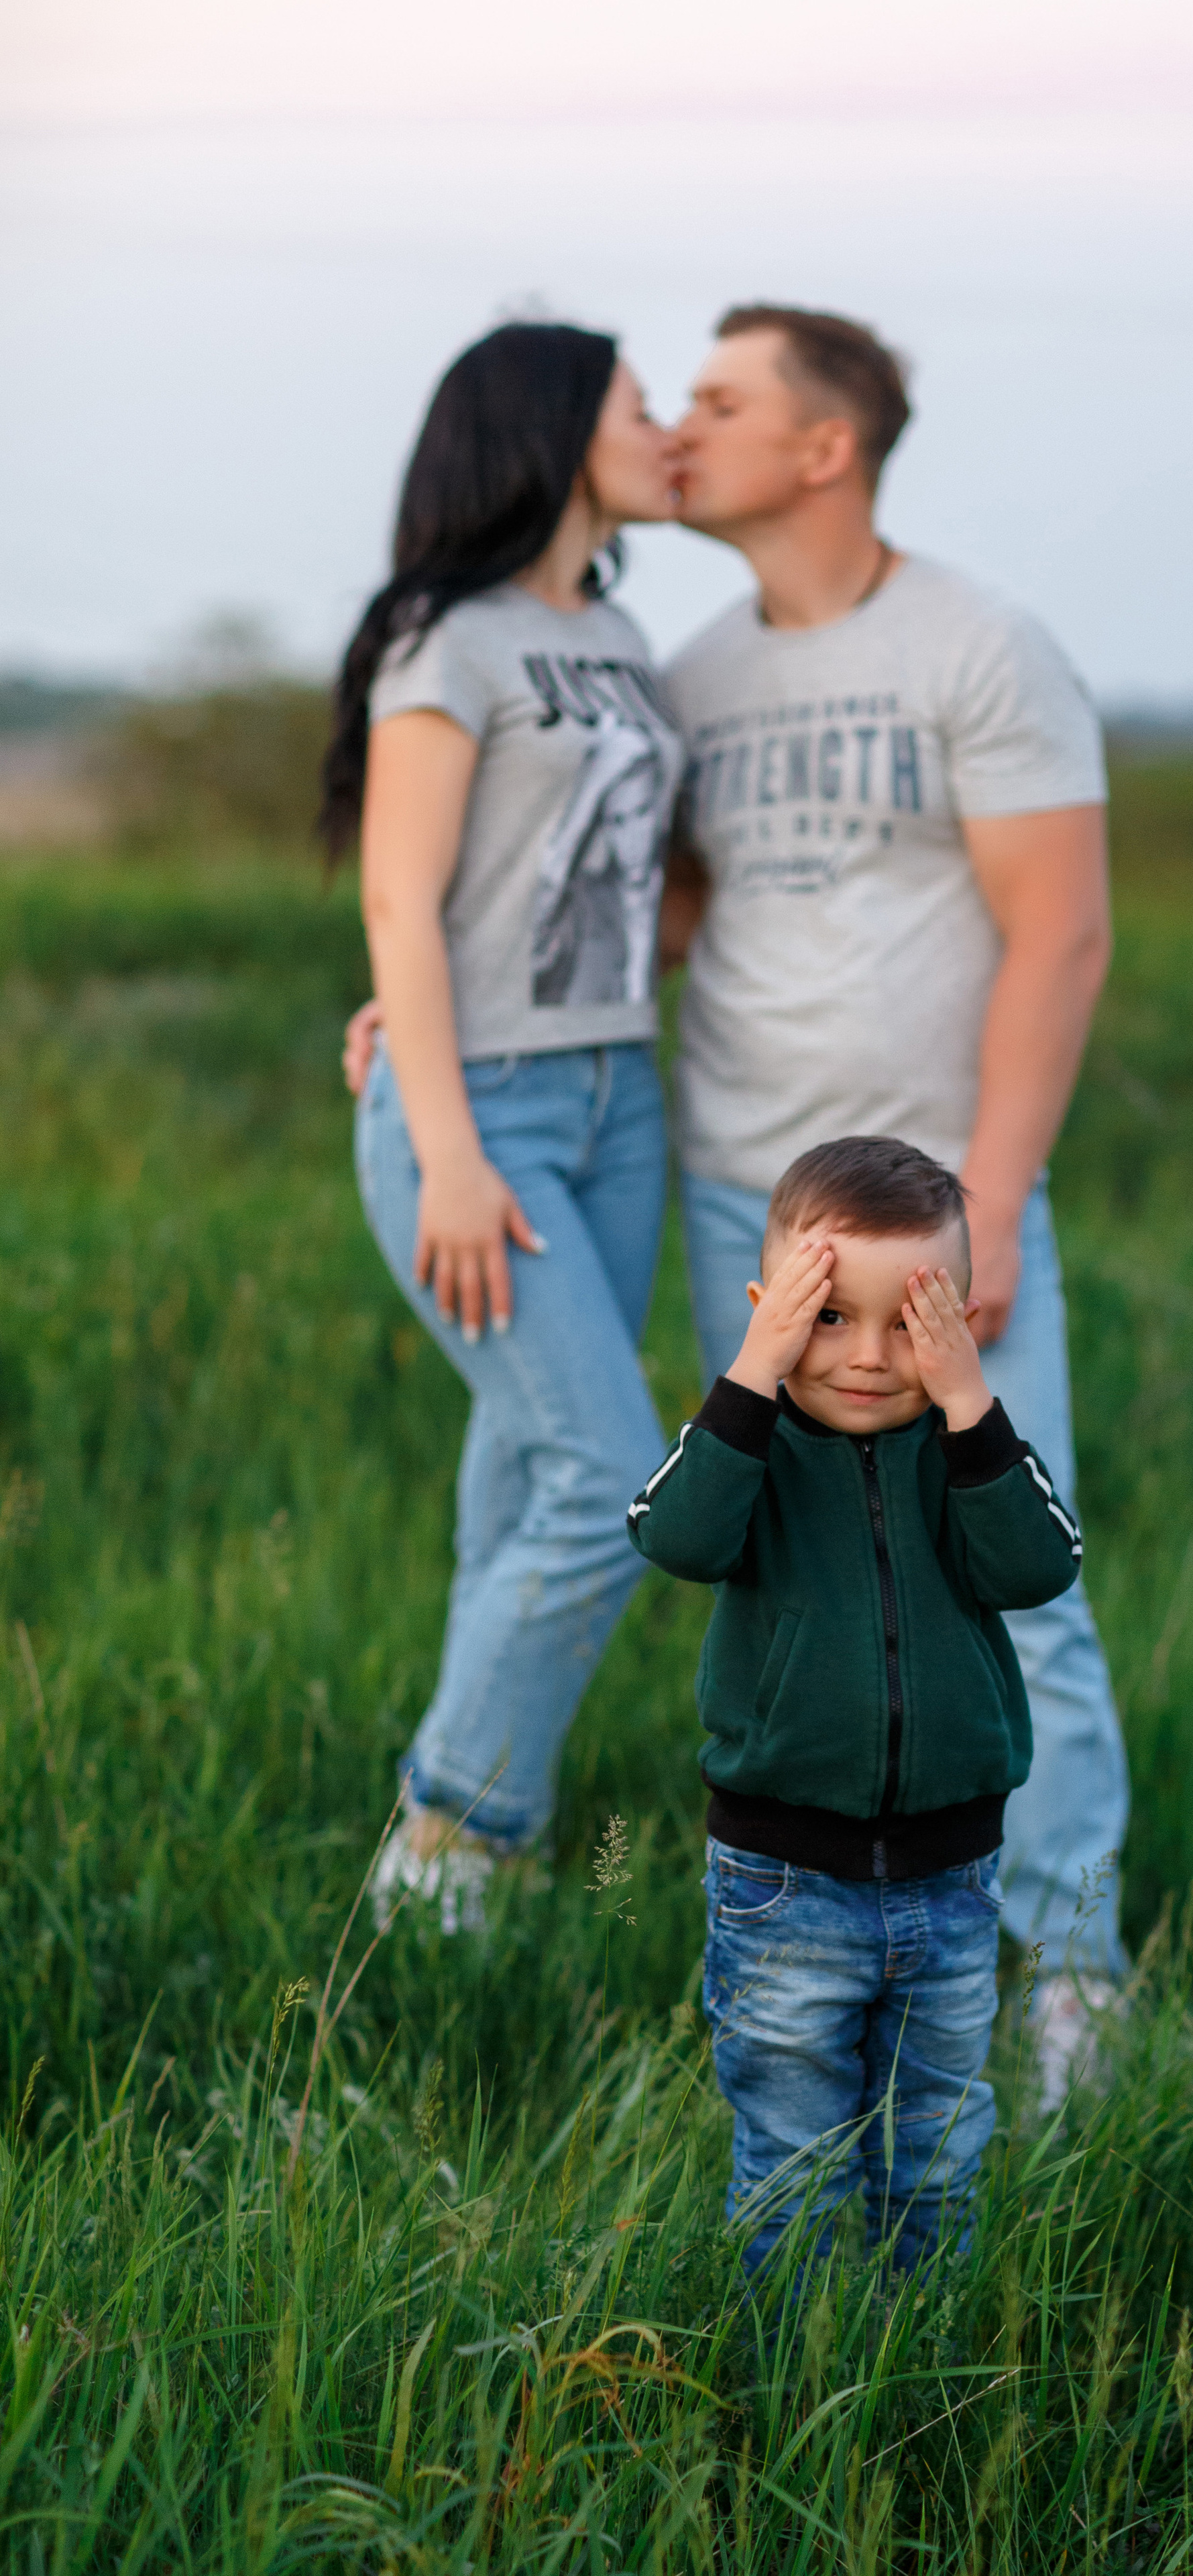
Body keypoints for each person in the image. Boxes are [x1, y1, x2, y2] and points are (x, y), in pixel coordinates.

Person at [661, 305, 1130, 2096]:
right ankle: (815, 1950)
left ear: (824, 445)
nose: (681, 426)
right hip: (746, 1199)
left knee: (1018, 1573)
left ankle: (1071, 1965)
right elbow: (663, 924)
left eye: (719, 400)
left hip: (944, 1207)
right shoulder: (697, 672)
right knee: (786, 1565)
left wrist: (995, 1198)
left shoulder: (982, 643)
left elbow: (1060, 930)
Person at [320, 319, 684, 1930]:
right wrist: (447, 1142)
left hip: (621, 1093)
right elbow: (399, 889)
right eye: (636, 402)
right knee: (611, 1482)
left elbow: (620, 886)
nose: (665, 425)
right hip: (489, 1111)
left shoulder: (622, 643)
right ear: (551, 429)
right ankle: (449, 1842)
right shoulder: (445, 641)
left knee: (522, 1472)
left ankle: (458, 1869)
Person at [628, 1137, 1082, 2269]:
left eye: (907, 1322)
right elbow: (673, 1537)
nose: (869, 1358)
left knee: (936, 2150)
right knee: (792, 2158)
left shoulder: (965, 1452)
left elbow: (1040, 1569)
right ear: (770, 1310)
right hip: (784, 1886)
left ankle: (918, 2367)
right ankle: (796, 2381)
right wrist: (751, 1376)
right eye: (830, 1317)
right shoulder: (752, 1449)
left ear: (958, 1320)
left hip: (951, 1880)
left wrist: (971, 1403)